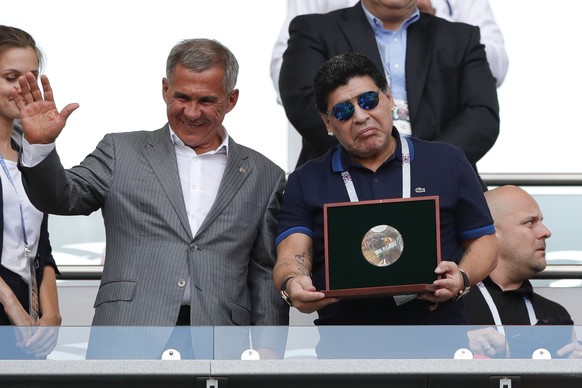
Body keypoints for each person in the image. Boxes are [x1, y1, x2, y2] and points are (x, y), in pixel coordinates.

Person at [12, 38, 288, 359]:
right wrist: (40, 146)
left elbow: (265, 273)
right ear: (164, 90)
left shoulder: (265, 175)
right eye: (181, 97)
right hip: (128, 336)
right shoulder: (120, 151)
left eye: (207, 100)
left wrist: (269, 351)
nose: (192, 111)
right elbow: (62, 197)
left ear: (231, 99)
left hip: (220, 346)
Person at [273, 52, 497, 358]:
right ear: (328, 123)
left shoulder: (447, 161)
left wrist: (462, 277)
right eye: (342, 111)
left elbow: (484, 241)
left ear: (389, 98)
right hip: (347, 350)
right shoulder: (305, 180)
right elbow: (290, 253)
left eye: (368, 100)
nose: (361, 116)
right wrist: (293, 282)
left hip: (439, 342)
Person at [278, 0, 499, 190]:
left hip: (442, 180)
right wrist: (373, 158)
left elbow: (481, 114)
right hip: (339, 181)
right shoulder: (315, 30)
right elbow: (303, 102)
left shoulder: (461, 37)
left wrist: (424, 162)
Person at [271, 0, 509, 100]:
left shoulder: (453, 30)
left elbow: (495, 69)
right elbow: (286, 75)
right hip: (342, 148)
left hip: (439, 139)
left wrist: (437, 28)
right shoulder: (317, 26)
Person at [464, 185, 582, 359]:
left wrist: (573, 371)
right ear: (491, 232)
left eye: (541, 222)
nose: (546, 232)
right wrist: (457, 342)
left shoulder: (554, 315)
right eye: (530, 223)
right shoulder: (449, 303)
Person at [0, 25, 61, 359]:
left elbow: (42, 244)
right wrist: (11, 306)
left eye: (31, 78)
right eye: (11, 77)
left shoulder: (30, 151)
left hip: (29, 323)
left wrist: (51, 314)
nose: (23, 89)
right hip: (12, 313)